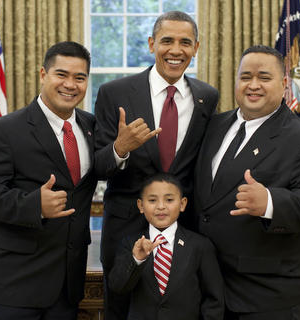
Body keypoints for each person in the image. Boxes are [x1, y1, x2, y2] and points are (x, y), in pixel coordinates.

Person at [193, 45, 300, 320]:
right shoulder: (212, 127)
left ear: (284, 84)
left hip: (267, 299)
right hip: (205, 292)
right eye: (246, 76)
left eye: (264, 77)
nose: (253, 85)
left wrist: (271, 202)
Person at [94, 11, 219, 319]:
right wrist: (119, 148)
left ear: (196, 48)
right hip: (125, 230)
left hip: (183, 229)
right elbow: (96, 166)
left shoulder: (207, 97)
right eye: (167, 41)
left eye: (185, 42)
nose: (176, 50)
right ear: (151, 44)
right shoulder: (115, 93)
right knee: (121, 308)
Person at [0, 41, 97, 320]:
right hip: (15, 286)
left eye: (80, 77)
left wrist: (121, 149)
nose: (70, 84)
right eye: (61, 74)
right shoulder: (5, 130)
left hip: (67, 287)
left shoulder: (91, 126)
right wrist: (34, 205)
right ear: (42, 75)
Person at [108, 173, 224, 320]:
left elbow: (213, 300)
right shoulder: (130, 243)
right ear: (141, 205)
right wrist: (137, 260)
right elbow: (117, 287)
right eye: (152, 200)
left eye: (169, 200)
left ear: (182, 204)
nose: (161, 206)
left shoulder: (200, 245)